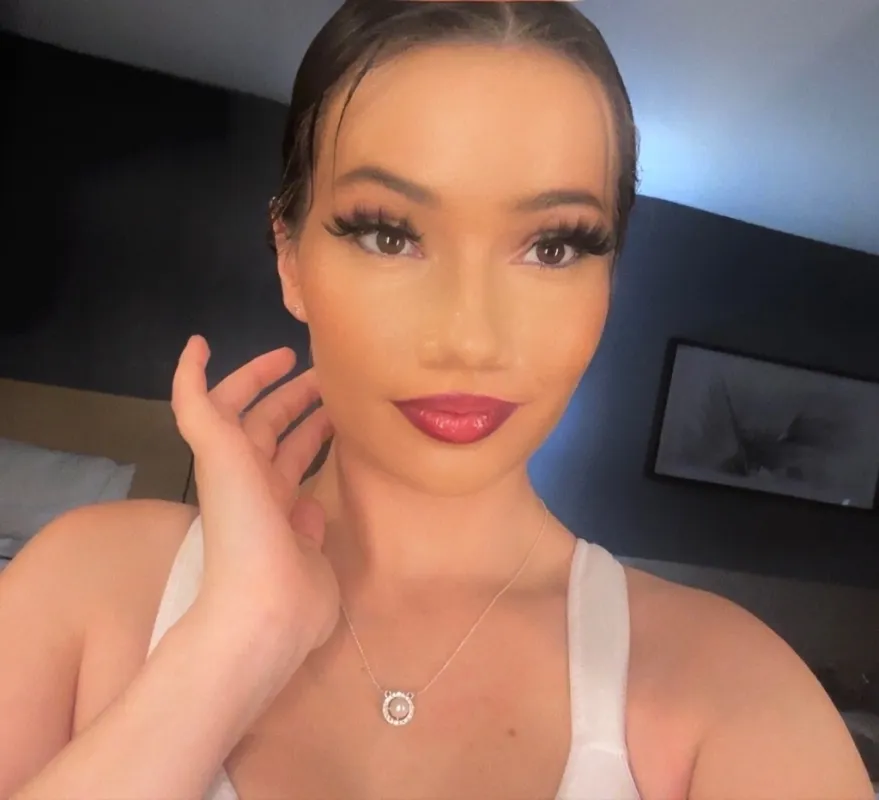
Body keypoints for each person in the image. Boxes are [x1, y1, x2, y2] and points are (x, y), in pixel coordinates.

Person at [0, 2, 873, 798]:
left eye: (554, 247)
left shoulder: (732, 689)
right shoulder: (87, 586)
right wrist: (235, 641)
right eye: (389, 235)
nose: (469, 338)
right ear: (290, 257)